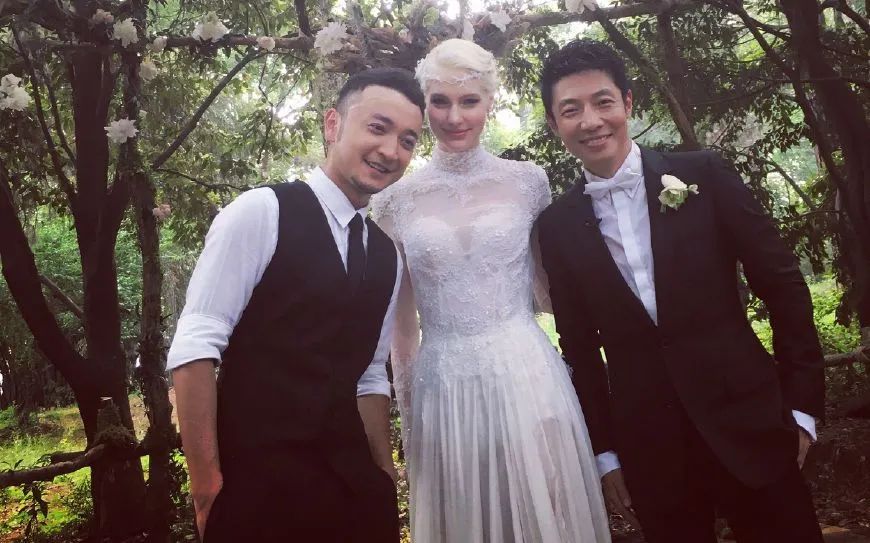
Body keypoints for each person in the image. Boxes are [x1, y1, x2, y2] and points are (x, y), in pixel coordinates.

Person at [537, 38, 826, 543]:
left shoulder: (703, 175)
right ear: (553, 123)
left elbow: (782, 284)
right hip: (651, 448)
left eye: (603, 102)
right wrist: (606, 455)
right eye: (571, 109)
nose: (591, 121)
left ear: (628, 102)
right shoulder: (557, 226)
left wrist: (802, 408)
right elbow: (579, 349)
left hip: (752, 424)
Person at [167, 67, 425, 543]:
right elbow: (196, 346)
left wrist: (383, 474)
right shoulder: (261, 212)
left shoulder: (386, 254)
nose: (391, 150)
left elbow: (370, 373)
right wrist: (206, 490)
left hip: (354, 494)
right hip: (258, 488)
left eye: (407, 140)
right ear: (333, 124)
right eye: (378, 127)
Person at [371, 39, 610, 543]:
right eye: (440, 102)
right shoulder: (394, 201)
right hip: (443, 386)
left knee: (544, 512)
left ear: (489, 102)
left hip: (526, 372)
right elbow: (402, 325)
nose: (454, 117)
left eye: (469, 101)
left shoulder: (528, 182)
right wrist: (410, 411)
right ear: (425, 105)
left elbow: (551, 291)